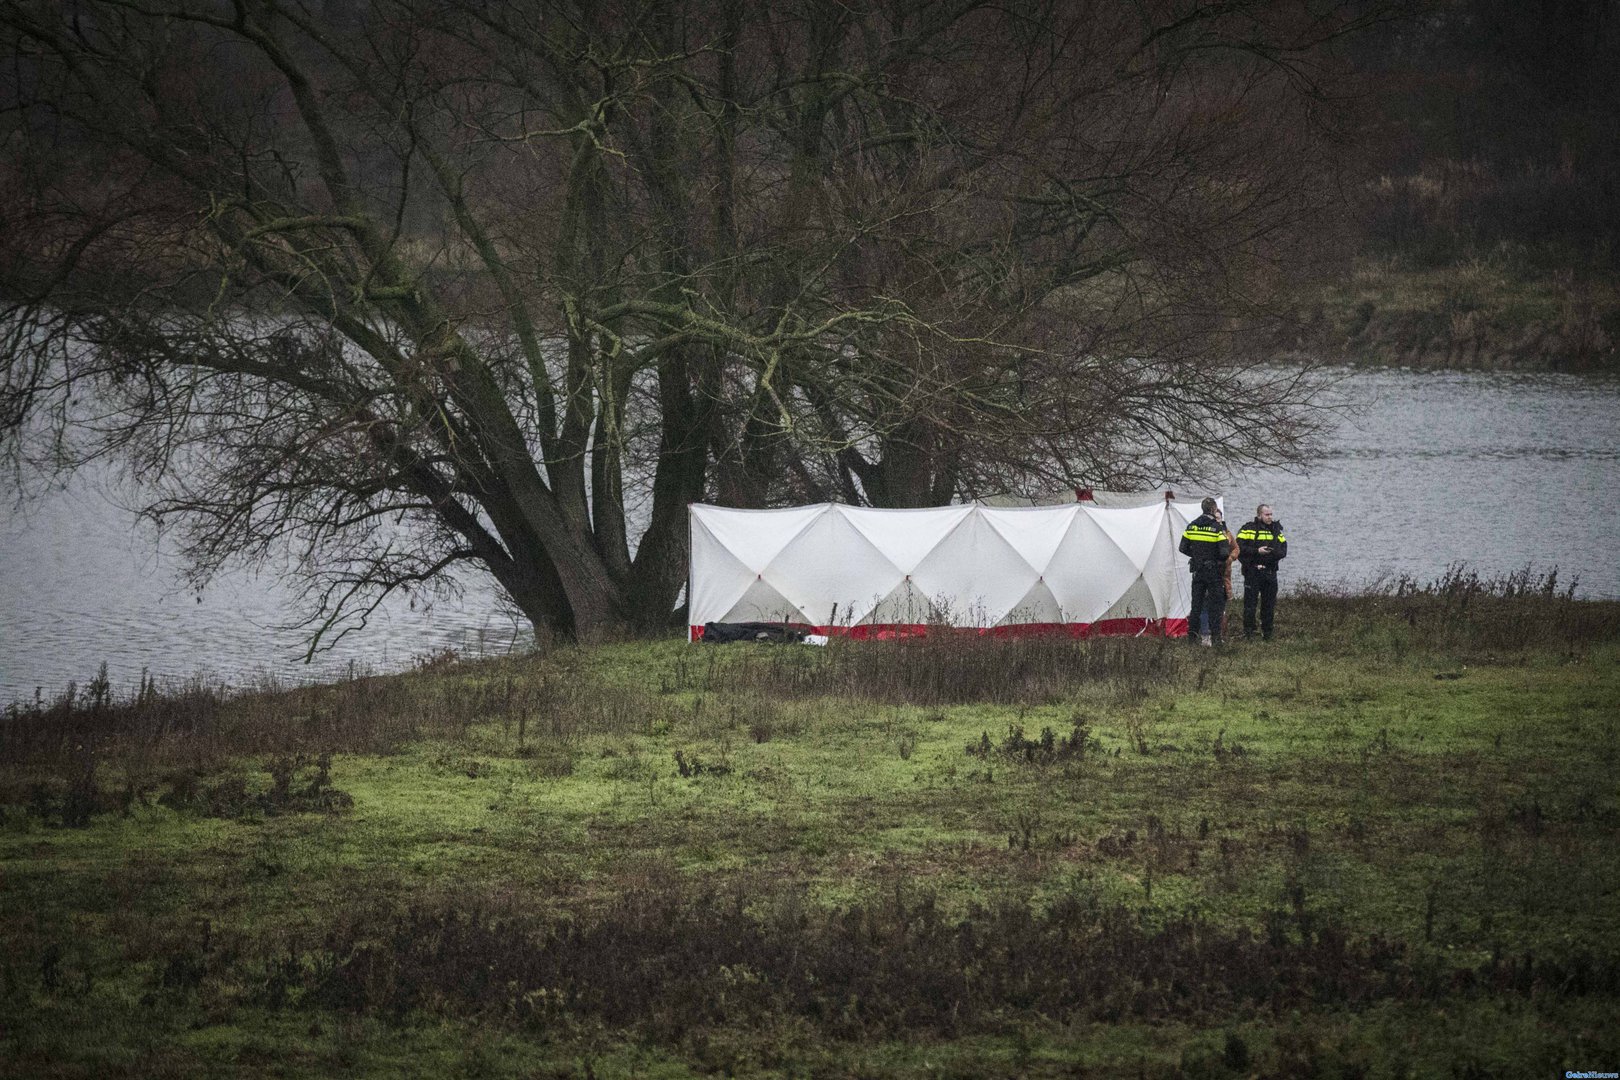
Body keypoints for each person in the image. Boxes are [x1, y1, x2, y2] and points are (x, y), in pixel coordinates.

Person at [1179, 497, 1230, 646]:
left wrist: (1196, 556)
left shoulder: (1192, 526)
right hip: (1213, 571)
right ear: (1214, 510)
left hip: (1198, 571)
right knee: (1215, 606)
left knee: (1196, 606)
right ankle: (1215, 640)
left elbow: (1183, 548)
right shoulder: (1216, 528)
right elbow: (1224, 552)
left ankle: (1192, 639)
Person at [1237, 503, 1288, 640]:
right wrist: (1257, 552)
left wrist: (1270, 554)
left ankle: (1268, 633)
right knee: (1250, 605)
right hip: (1252, 572)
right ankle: (1249, 633)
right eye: (1267, 515)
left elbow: (1283, 551)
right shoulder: (1248, 529)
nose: (1270, 517)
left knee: (1269, 605)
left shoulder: (1276, 531)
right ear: (1259, 515)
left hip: (1270, 572)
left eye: (1271, 514)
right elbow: (1239, 549)